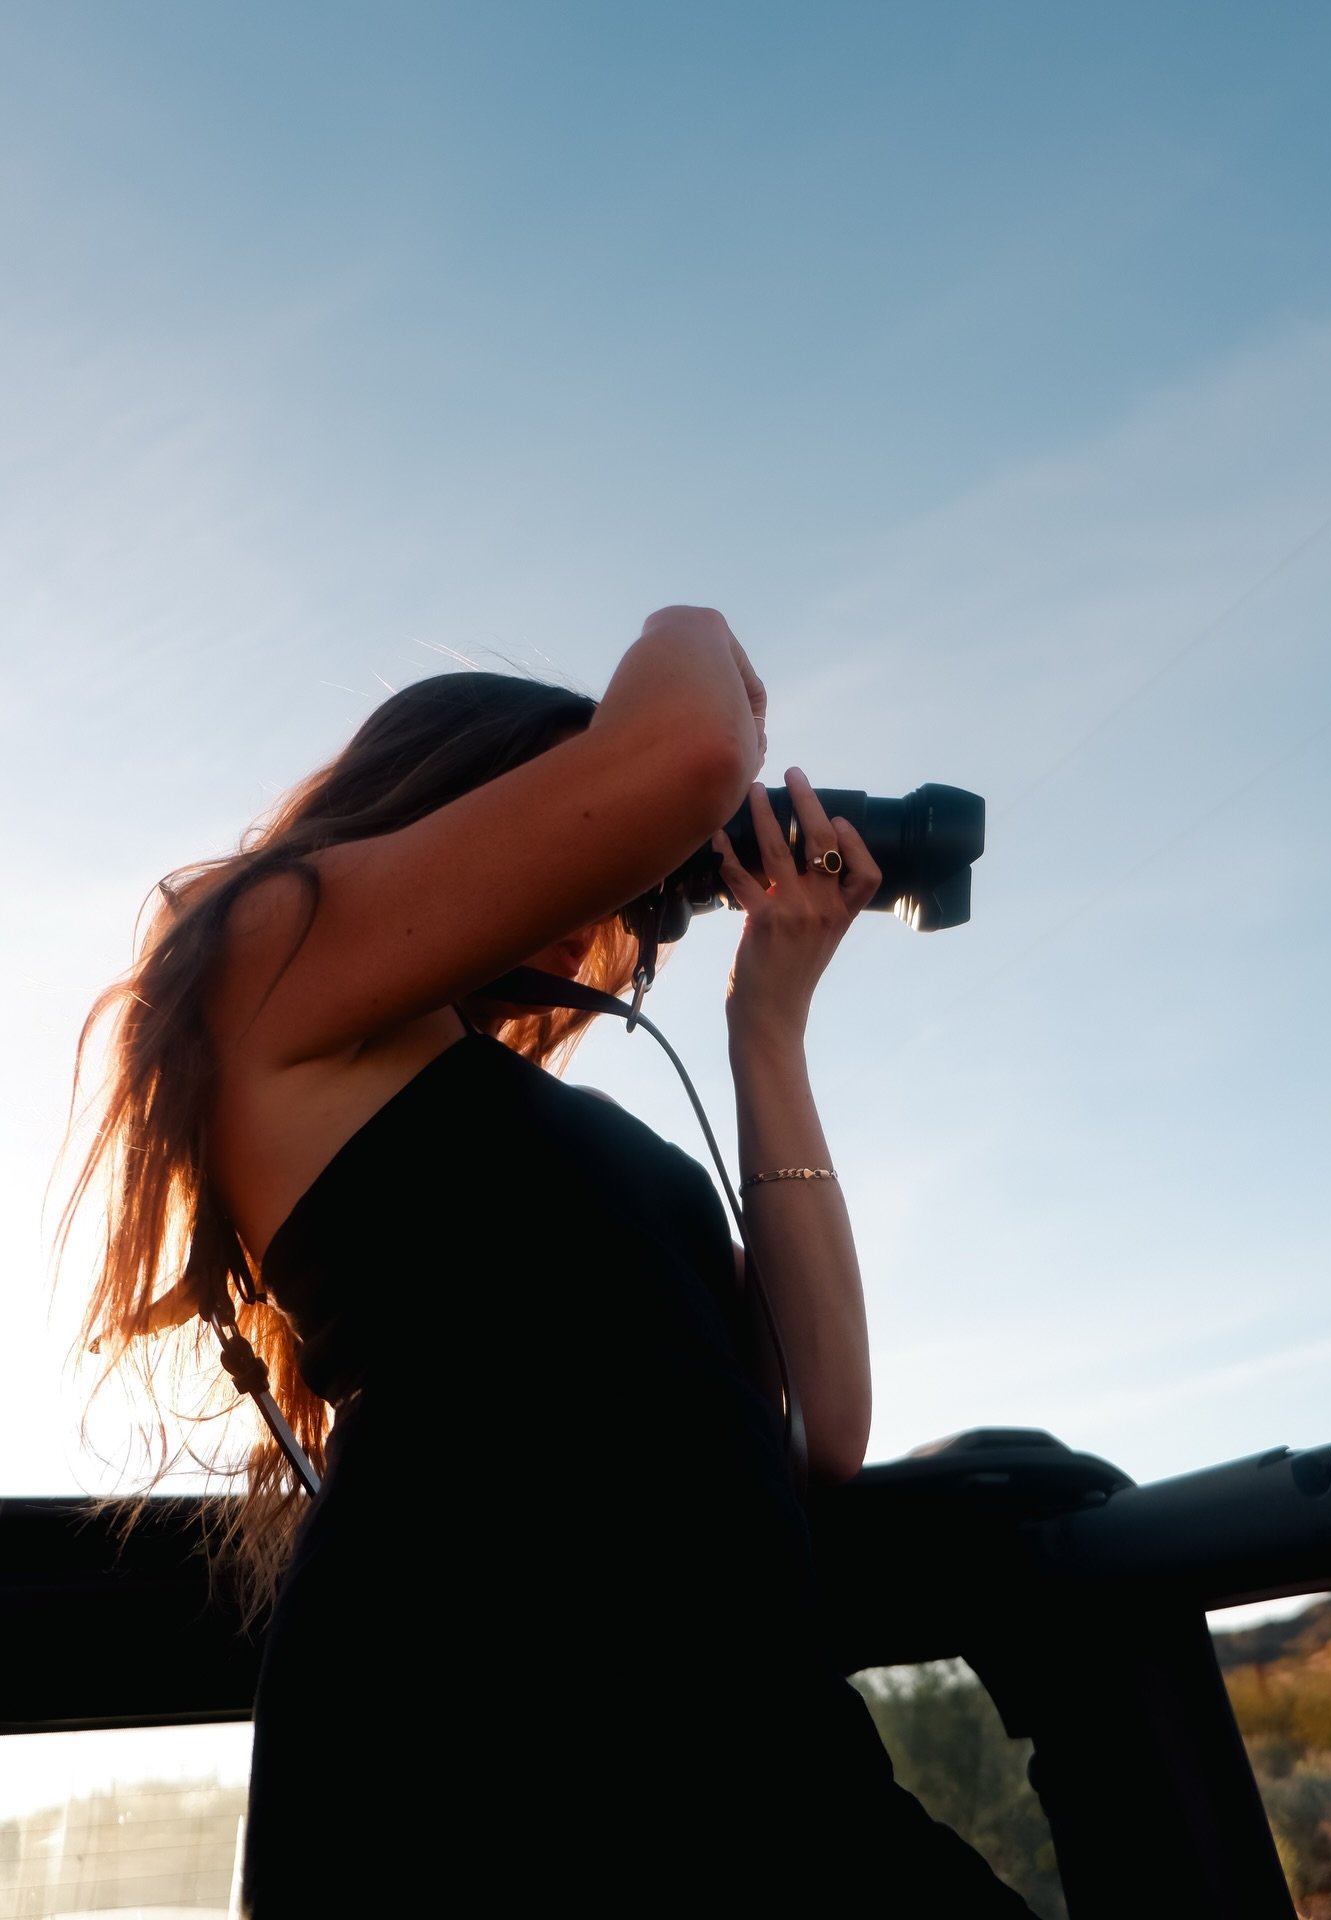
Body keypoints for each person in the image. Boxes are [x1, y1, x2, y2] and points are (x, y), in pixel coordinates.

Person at [66, 607, 1036, 1913]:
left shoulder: (536, 1127)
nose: (611, 917)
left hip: (756, 1771)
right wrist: (684, 634)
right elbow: (692, 742)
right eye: (598, 847)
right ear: (468, 803)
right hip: (477, 1771)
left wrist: (769, 1029)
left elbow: (824, 1424)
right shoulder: (259, 950)